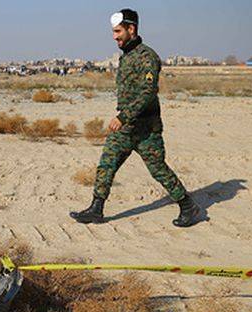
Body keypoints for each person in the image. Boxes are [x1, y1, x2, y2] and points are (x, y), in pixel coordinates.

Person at [70, 8, 201, 228]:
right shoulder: (127, 56)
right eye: (113, 32)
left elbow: (148, 92)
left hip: (145, 129)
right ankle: (96, 209)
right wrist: (124, 119)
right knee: (107, 164)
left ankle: (188, 205)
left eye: (118, 31)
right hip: (126, 128)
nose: (115, 37)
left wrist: (123, 116)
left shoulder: (147, 57)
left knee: (158, 170)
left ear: (132, 29)